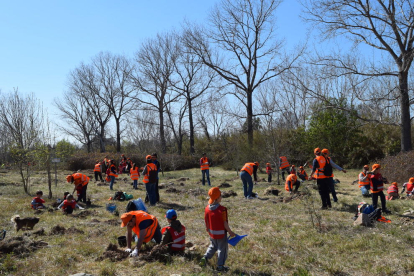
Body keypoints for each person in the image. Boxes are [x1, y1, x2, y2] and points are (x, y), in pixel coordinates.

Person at [199, 187, 236, 272]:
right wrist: (230, 232)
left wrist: (208, 230)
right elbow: (224, 223)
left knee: (212, 246)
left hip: (212, 234)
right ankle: (220, 267)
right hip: (221, 235)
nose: (221, 197)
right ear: (217, 198)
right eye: (220, 195)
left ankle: (205, 258)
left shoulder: (207, 208)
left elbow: (206, 220)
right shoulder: (222, 209)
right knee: (222, 250)